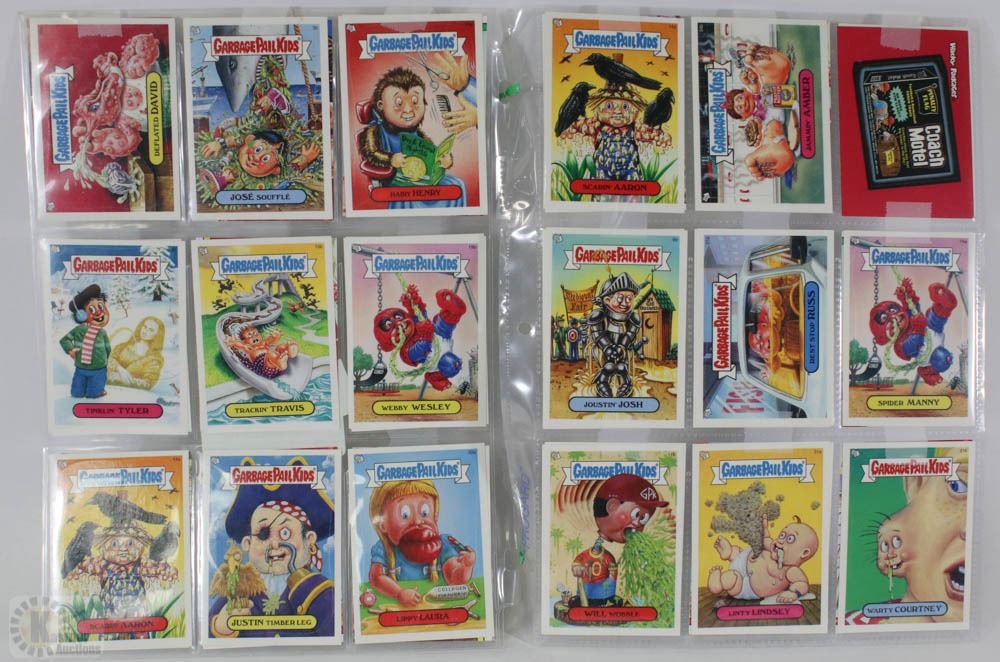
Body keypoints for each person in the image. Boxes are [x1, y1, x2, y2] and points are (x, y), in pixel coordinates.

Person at [209, 458, 335, 639]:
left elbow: (331, 629)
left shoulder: (319, 589)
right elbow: (208, 628)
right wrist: (221, 627)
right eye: (263, 534)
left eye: (285, 533)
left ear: (309, 539)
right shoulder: (239, 588)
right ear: (247, 544)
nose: (274, 543)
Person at [358, 61, 474, 209]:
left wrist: (445, 160)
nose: (408, 110)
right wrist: (390, 159)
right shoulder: (374, 132)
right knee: (408, 193)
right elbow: (371, 153)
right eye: (399, 103)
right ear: (381, 106)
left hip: (422, 177)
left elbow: (432, 154)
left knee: (457, 184)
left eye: (414, 101)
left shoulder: (418, 134)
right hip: (396, 179)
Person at [366, 479, 475, 607]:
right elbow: (376, 578)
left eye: (424, 512)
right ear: (382, 524)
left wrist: (466, 566)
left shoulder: (444, 543)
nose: (418, 521)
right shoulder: (383, 548)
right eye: (405, 514)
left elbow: (454, 579)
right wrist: (399, 593)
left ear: (435, 516)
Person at [570, 473, 669, 607]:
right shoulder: (590, 553)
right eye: (636, 514)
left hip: (605, 594)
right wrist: (577, 568)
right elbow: (579, 561)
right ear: (612, 506)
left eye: (644, 519)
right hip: (588, 591)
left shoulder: (613, 557)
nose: (637, 523)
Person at [708, 515, 818, 603]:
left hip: (746, 585)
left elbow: (802, 584)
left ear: (804, 553)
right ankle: (729, 553)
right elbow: (766, 539)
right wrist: (765, 528)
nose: (781, 541)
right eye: (782, 535)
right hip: (743, 558)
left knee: (732, 577)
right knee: (739, 551)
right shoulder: (773, 547)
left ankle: (718, 584)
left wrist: (794, 593)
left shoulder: (791, 570)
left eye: (790, 539)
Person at [60, 284, 112, 399]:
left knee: (93, 394)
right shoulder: (78, 330)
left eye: (100, 307)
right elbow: (65, 340)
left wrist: (102, 361)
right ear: (81, 315)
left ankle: (96, 390)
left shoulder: (102, 332)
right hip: (82, 369)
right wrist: (70, 349)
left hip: (98, 370)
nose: (98, 313)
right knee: (77, 393)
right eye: (91, 309)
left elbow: (108, 348)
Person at [107, 316, 166, 390]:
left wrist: (123, 379)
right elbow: (109, 358)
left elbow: (148, 383)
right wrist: (119, 368)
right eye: (145, 327)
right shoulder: (124, 346)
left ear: (157, 334)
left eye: (151, 330)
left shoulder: (154, 359)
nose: (145, 331)